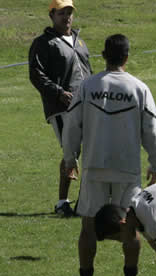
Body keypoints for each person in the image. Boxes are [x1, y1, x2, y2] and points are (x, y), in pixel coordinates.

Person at [62, 34, 156, 276]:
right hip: (128, 169)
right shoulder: (139, 88)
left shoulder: (87, 86)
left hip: (94, 167)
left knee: (87, 227)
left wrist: (70, 158)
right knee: (130, 227)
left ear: (103, 55)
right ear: (127, 56)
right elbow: (151, 129)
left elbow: (73, 125)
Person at [28, 0, 92, 217]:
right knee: (71, 152)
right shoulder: (43, 43)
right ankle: (63, 203)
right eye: (62, 13)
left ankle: (84, 199)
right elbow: (36, 75)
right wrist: (58, 93)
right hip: (61, 107)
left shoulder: (79, 40)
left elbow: (88, 71)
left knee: (86, 148)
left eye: (70, 12)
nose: (67, 17)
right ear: (52, 15)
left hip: (87, 104)